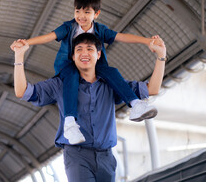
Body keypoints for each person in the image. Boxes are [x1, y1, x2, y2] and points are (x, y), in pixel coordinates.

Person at [11, 0, 164, 145]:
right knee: (71, 77)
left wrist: (147, 41)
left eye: (86, 12)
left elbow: (122, 36)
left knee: (112, 72)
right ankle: (70, 122)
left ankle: (135, 104)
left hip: (97, 66)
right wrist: (26, 43)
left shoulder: (100, 30)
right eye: (77, 11)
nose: (81, 16)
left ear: (96, 14)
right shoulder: (69, 27)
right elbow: (49, 37)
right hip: (68, 65)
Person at [12, 33, 166, 182]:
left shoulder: (113, 83)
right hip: (77, 155)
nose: (84, 53)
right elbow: (23, 92)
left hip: (106, 156)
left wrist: (161, 56)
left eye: (90, 49)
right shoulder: (60, 84)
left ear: (98, 55)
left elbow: (152, 89)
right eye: (79, 49)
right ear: (73, 57)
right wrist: (19, 57)